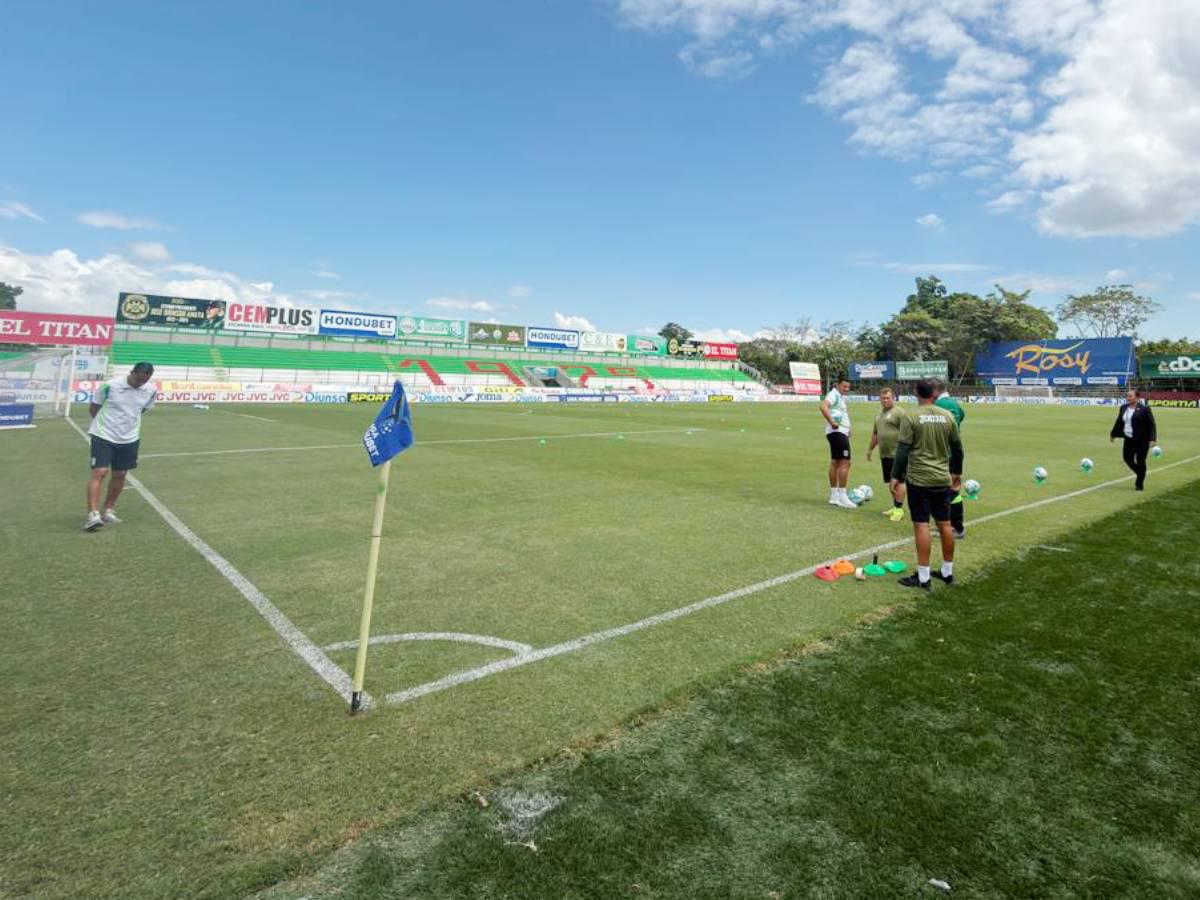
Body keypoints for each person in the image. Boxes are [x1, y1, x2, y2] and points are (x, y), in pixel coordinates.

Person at [890, 377, 964, 591]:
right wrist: (956, 473)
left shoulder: (911, 416)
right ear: (935, 394)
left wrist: (896, 476)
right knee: (944, 524)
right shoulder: (948, 416)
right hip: (942, 478)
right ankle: (947, 572)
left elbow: (903, 449)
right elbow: (958, 449)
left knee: (921, 525)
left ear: (916, 393)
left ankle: (923, 577)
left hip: (919, 479)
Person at [84, 362, 156, 531]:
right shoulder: (110, 386)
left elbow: (141, 410)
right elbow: (94, 408)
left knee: (120, 474)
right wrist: (107, 425)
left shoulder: (150, 390)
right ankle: (93, 514)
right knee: (100, 472)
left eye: (143, 381)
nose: (140, 383)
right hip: (103, 434)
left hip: (130, 438)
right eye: (137, 379)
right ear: (132, 372)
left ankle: (108, 510)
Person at [933, 379, 967, 538]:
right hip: (955, 451)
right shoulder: (954, 403)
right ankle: (956, 526)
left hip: (943, 453)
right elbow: (962, 415)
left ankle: (953, 527)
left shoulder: (938, 406)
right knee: (954, 488)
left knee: (943, 491)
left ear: (936, 391)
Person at [866, 386, 906, 522]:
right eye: (883, 398)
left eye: (888, 398)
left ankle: (899, 510)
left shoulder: (899, 412)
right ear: (880, 399)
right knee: (891, 482)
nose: (885, 400)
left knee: (899, 481)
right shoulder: (879, 415)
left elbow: (909, 431)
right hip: (885, 454)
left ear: (893, 398)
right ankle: (895, 507)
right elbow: (876, 434)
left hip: (898, 454)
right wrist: (870, 449)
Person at [1110, 387, 1157, 491]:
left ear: (1137, 398)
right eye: (1127, 396)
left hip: (1142, 440)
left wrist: (1152, 439)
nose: (1128, 398)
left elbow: (1151, 425)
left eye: (1130, 396)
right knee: (1127, 459)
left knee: (1140, 461)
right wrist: (1113, 434)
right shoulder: (1123, 407)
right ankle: (1140, 473)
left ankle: (1139, 484)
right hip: (1128, 439)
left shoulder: (1145, 409)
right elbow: (1119, 422)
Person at [821, 376, 857, 509]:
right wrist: (832, 422)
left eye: (848, 387)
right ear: (837, 385)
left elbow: (842, 414)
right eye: (844, 386)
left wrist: (849, 428)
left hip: (839, 432)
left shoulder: (839, 396)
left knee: (835, 462)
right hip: (837, 432)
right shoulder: (833, 394)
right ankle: (842, 496)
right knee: (845, 462)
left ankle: (834, 496)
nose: (846, 389)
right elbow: (823, 406)